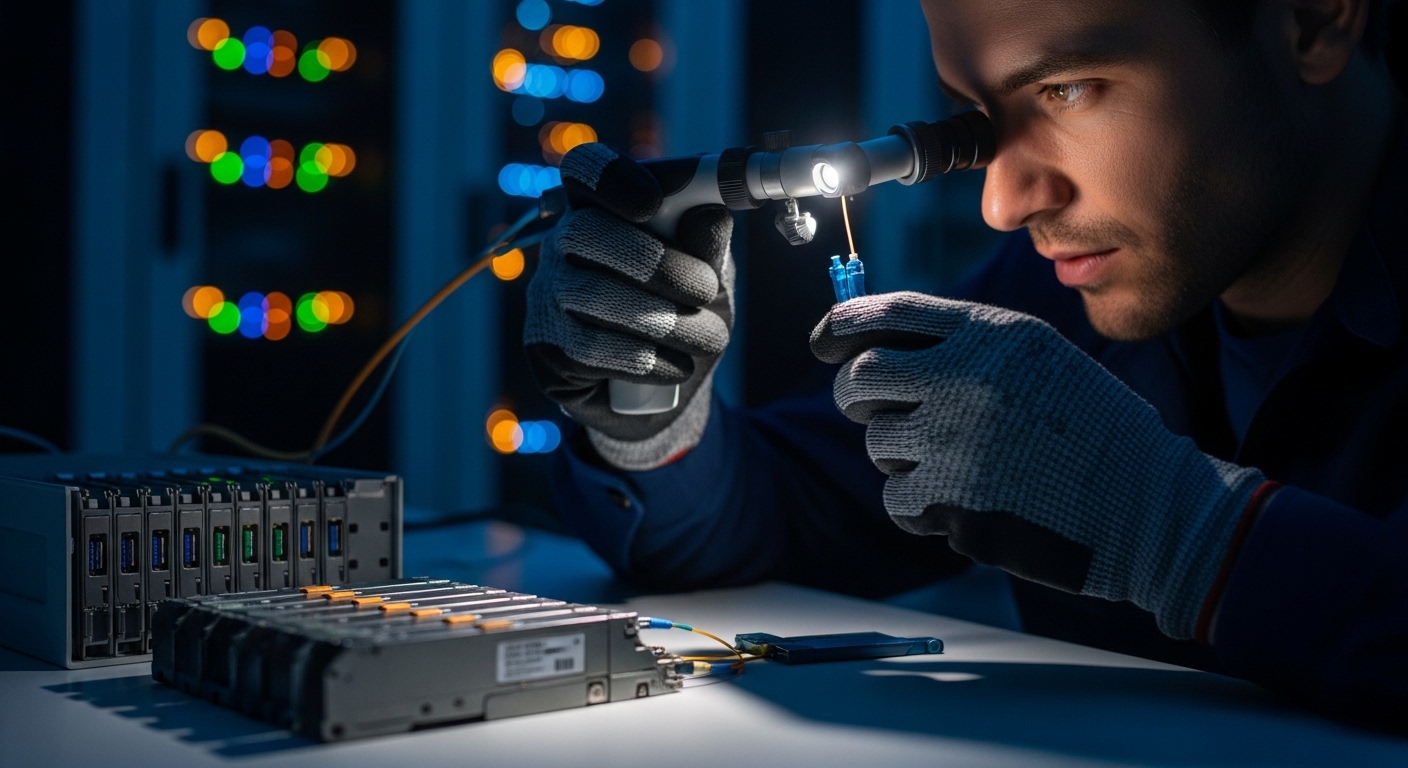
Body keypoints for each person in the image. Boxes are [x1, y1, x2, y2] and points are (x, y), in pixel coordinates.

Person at [523, 0, 1407, 718]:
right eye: (982, 116)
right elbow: (779, 517)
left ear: (1312, 20)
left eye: (1069, 89)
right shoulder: (1072, 277)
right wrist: (652, 410)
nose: (1003, 202)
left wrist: (1200, 541)